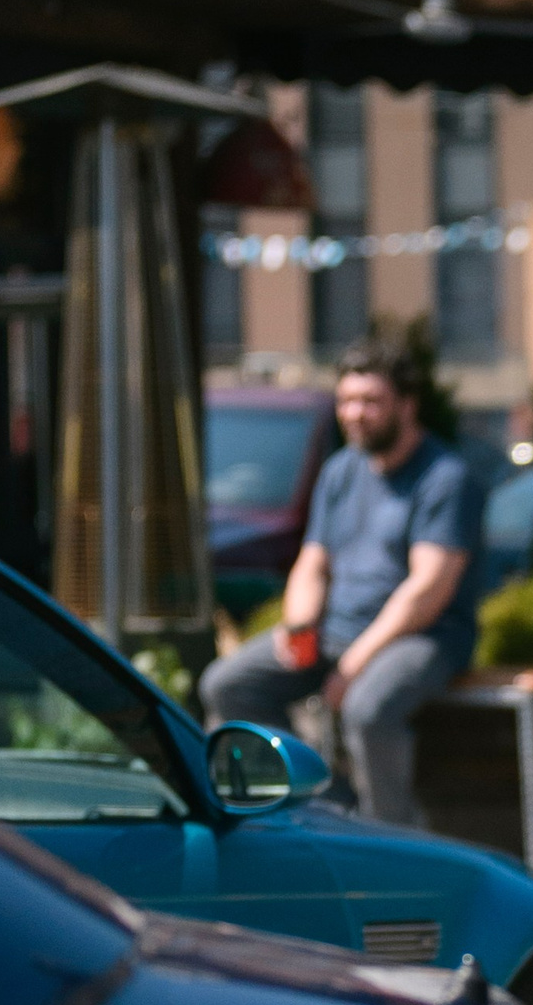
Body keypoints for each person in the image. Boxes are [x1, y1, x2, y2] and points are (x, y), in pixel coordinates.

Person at [202, 333, 484, 826]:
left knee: (367, 709)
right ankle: (328, 806)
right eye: (347, 401)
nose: (355, 413)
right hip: (336, 632)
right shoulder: (340, 471)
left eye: (371, 402)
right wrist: (301, 625)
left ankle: (389, 835)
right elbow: (312, 563)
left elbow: (426, 592)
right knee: (228, 685)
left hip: (422, 637)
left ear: (407, 405)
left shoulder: (446, 478)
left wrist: (355, 663)